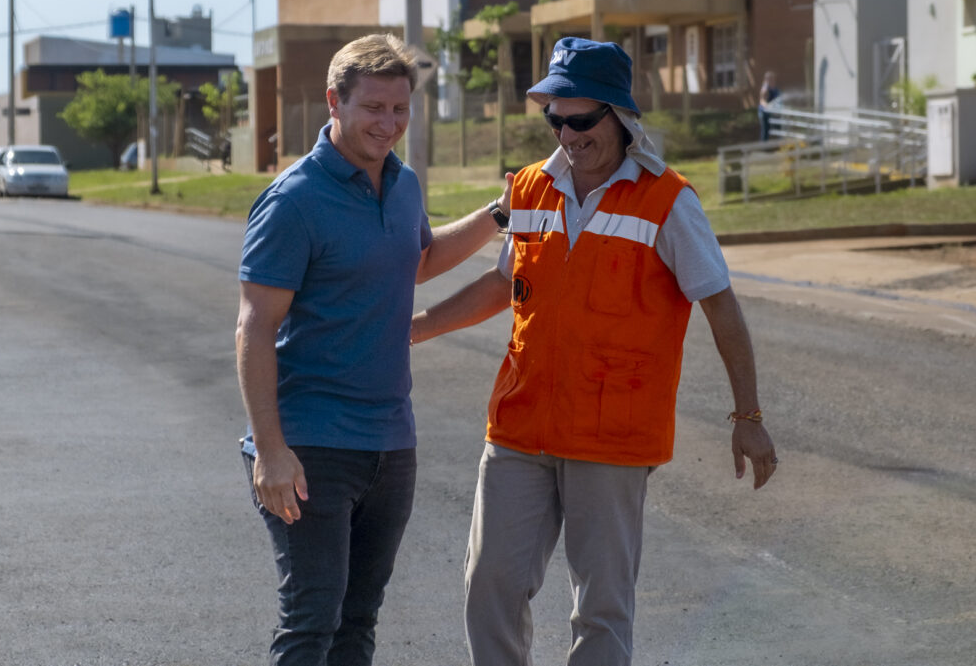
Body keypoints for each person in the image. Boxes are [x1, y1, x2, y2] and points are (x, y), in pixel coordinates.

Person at [410, 37, 777, 666]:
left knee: (601, 608)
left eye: (582, 120)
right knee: (489, 584)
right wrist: (412, 330)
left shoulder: (667, 200)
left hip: (612, 437)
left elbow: (720, 306)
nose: (567, 135)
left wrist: (748, 418)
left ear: (619, 114)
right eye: (556, 119)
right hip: (521, 426)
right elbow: (506, 282)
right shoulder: (529, 188)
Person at [235, 33, 513, 666]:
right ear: (334, 102)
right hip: (310, 445)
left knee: (358, 620)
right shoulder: (294, 201)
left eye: (399, 110)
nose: (388, 124)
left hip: (390, 444)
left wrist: (498, 214)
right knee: (312, 619)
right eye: (373, 109)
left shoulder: (403, 182)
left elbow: (415, 260)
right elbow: (253, 328)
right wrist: (272, 452)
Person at [757, 70, 781, 141]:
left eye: (773, 78)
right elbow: (762, 100)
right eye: (771, 78)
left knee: (778, 127)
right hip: (765, 112)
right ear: (767, 79)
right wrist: (768, 106)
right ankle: (763, 147)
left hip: (773, 112)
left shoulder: (774, 87)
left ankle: (781, 144)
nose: (773, 80)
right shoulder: (765, 88)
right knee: (765, 130)